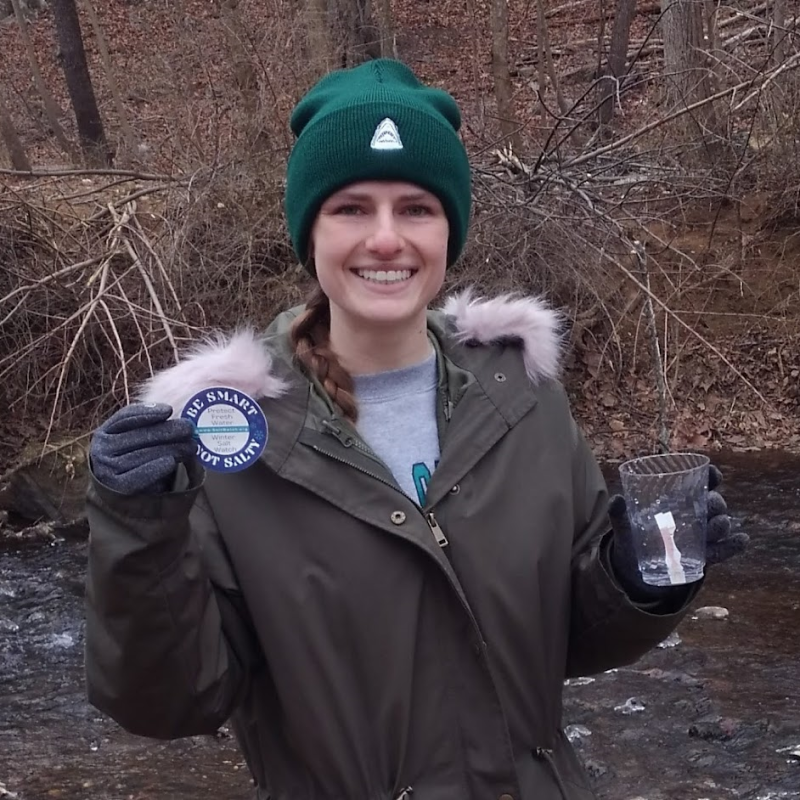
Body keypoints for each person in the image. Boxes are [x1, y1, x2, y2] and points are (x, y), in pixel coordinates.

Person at [85, 59, 748, 800]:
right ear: (310, 232)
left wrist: (633, 576)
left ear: (449, 230)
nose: (386, 238)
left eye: (416, 208)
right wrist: (139, 535)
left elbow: (566, 640)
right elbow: (172, 701)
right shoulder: (227, 439)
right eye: (351, 208)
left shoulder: (522, 396)